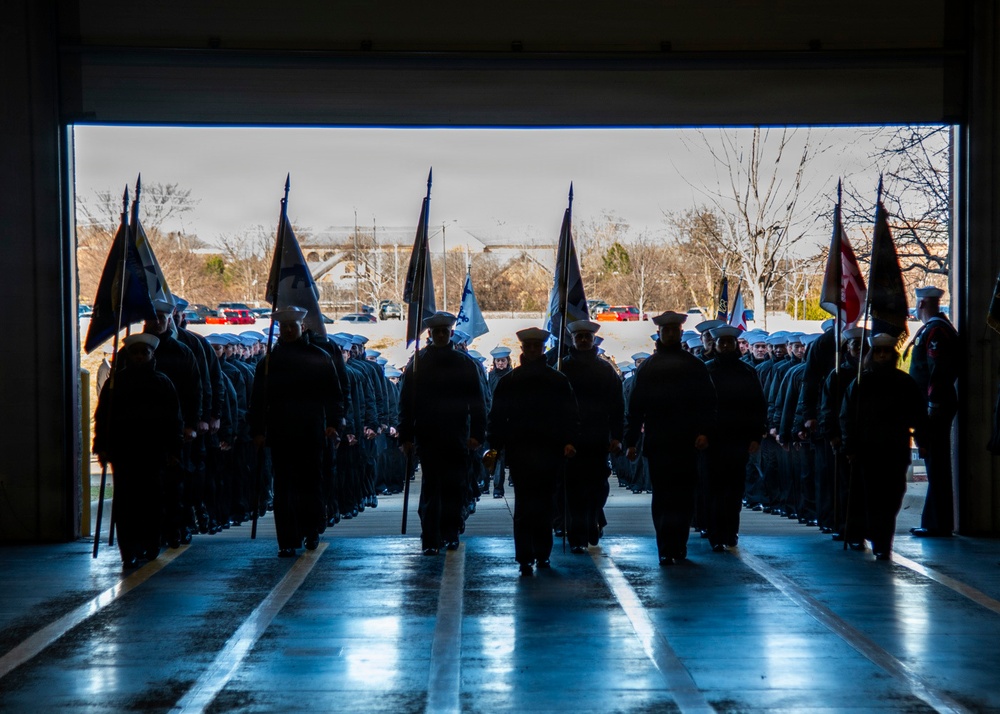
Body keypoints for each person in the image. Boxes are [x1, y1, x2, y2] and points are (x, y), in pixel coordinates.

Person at [249, 306, 344, 557]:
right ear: (279, 330)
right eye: (284, 326)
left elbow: (333, 395)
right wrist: (258, 430)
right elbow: (258, 400)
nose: (289, 330)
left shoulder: (318, 357)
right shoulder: (268, 363)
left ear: (302, 327)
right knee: (284, 488)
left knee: (310, 484)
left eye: (293, 326)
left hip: (312, 431)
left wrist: (334, 423)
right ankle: (287, 539)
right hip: (280, 433)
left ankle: (311, 531)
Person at [625, 311, 717, 565]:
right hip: (660, 443)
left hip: (687, 442)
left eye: (674, 331)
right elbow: (635, 408)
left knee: (684, 496)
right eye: (667, 331)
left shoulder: (693, 365)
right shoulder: (649, 367)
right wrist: (631, 441)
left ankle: (679, 544)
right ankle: (666, 546)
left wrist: (704, 432)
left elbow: (708, 403)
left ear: (679, 333)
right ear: (660, 334)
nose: (671, 334)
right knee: (664, 496)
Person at [487, 327, 578, 576]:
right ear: (523, 349)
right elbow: (497, 418)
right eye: (529, 347)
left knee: (546, 504)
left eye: (537, 346)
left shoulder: (558, 381)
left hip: (550, 451)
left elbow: (570, 415)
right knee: (525, 506)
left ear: (542, 349)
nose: (533, 350)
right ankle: (525, 556)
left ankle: (543, 553)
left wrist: (570, 440)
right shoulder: (510, 382)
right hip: (521, 452)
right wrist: (494, 447)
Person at [398, 311, 487, 555]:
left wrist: (477, 435)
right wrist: (405, 437)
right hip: (427, 436)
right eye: (436, 331)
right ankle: (430, 538)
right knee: (430, 489)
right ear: (430, 334)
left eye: (444, 331)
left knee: (454, 488)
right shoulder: (418, 362)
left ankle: (450, 533)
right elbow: (406, 403)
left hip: (457, 435)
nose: (440, 335)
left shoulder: (465, 363)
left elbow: (477, 403)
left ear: (450, 333)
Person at [93, 333, 182, 568]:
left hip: (154, 452)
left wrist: (174, 449)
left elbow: (174, 420)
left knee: (152, 500)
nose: (140, 357)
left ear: (152, 355)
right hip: (124, 452)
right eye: (136, 353)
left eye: (145, 353)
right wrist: (101, 446)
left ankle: (151, 544)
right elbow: (103, 418)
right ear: (129, 356)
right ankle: (129, 549)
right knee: (126, 502)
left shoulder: (163, 382)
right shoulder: (115, 384)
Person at [841, 333, 927, 560]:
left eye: (886, 352)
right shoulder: (860, 382)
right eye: (877, 351)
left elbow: (918, 415)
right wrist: (849, 445)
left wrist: (922, 440)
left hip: (895, 448)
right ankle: (859, 535)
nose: (881, 355)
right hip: (866, 449)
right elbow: (847, 416)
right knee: (864, 496)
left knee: (892, 496)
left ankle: (882, 541)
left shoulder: (904, 382)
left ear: (893, 354)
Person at [560, 320, 624, 553]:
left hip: (598, 438)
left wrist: (617, 436)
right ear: (574, 340)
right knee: (574, 489)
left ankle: (595, 517)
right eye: (580, 337)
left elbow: (617, 406)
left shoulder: (605, 370)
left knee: (598, 487)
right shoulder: (563, 368)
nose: (584, 340)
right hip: (571, 439)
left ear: (593, 340)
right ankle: (578, 534)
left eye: (588, 337)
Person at [705, 326, 765, 551]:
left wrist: (755, 436)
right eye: (723, 343)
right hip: (713, 440)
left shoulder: (747, 372)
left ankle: (731, 532)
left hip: (739, 439)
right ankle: (715, 533)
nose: (727, 347)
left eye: (730, 343)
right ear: (716, 346)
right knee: (714, 489)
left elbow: (757, 406)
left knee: (735, 489)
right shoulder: (707, 371)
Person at [907, 285, 959, 537]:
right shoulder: (936, 328)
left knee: (936, 465)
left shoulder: (936, 330)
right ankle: (935, 520)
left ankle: (938, 523)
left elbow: (937, 371)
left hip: (934, 409)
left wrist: (931, 405)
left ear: (922, 305)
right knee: (934, 464)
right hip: (933, 407)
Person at [487, 346, 513, 498]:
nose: (501, 363)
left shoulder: (513, 376)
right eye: (498, 361)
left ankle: (504, 484)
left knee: (506, 456)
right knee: (494, 454)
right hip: (494, 419)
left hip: (508, 421)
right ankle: (491, 485)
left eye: (503, 361)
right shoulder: (491, 377)